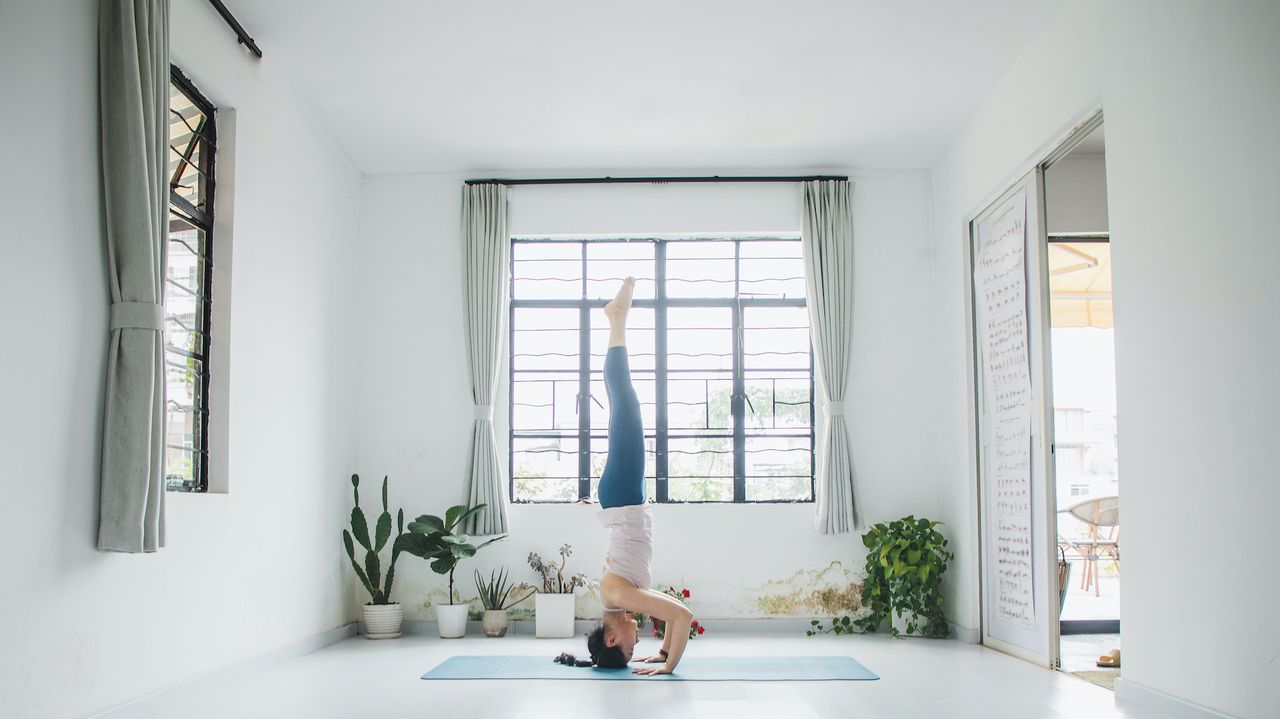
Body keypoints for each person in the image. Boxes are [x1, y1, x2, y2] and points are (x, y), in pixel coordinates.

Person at [558, 277, 693, 676]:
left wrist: (669, 666)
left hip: (623, 496)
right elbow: (670, 616)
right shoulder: (618, 599)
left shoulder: (617, 595)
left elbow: (682, 616)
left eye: (632, 651)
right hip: (626, 498)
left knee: (626, 402)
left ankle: (616, 319)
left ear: (612, 638)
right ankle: (617, 319)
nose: (639, 646)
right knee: (624, 404)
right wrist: (663, 652)